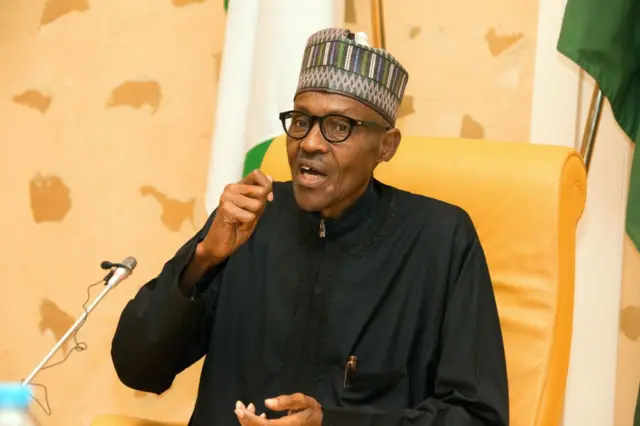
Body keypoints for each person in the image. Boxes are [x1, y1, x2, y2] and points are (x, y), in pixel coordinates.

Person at [110, 28, 509, 426]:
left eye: (339, 127)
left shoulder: (440, 240)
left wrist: (330, 424)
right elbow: (137, 367)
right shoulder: (250, 220)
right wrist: (202, 260)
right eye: (301, 120)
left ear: (386, 146)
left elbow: (478, 418)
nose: (310, 143)